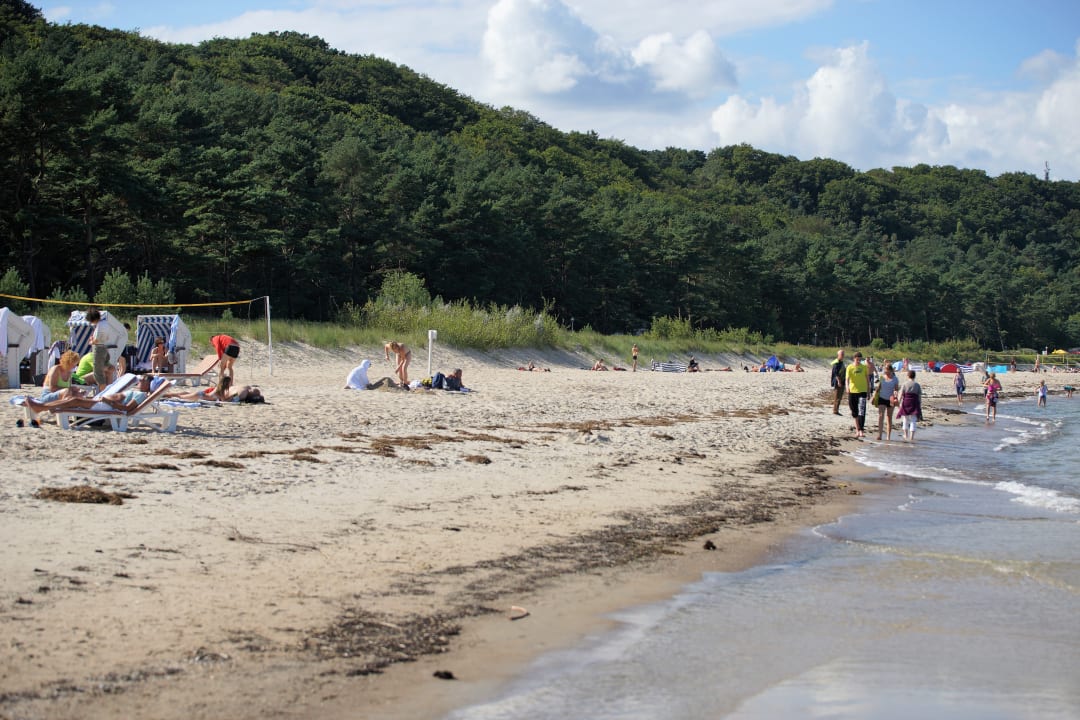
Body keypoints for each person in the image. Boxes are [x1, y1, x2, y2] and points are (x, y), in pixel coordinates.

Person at [25, 374, 153, 420]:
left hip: (107, 406)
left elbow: (126, 409)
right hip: (104, 403)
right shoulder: (137, 392)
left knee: (74, 401)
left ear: (148, 384)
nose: (139, 382)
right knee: (72, 399)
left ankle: (41, 408)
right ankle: (43, 407)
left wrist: (108, 401)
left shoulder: (141, 395)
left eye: (142, 380)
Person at [85, 309, 116, 388]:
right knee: (107, 367)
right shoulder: (106, 323)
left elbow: (97, 340)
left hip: (99, 349)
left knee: (98, 373)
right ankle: (109, 388)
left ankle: (103, 391)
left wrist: (91, 342)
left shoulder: (100, 326)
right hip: (105, 347)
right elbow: (106, 337)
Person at [846, 351, 870, 439]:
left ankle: (861, 430)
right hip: (852, 391)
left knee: (862, 411)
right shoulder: (849, 367)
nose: (858, 361)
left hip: (862, 391)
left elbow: (867, 380)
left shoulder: (864, 367)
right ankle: (857, 429)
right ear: (854, 359)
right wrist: (847, 387)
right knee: (854, 411)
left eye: (860, 359)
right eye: (857, 359)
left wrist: (869, 391)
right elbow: (847, 379)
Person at [874, 364, 900, 441]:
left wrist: (896, 395)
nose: (887, 373)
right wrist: (874, 396)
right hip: (882, 398)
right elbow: (879, 387)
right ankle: (879, 435)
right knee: (881, 416)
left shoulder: (895, 379)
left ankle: (888, 436)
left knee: (889, 417)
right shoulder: (882, 377)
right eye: (885, 372)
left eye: (888, 372)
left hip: (890, 399)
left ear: (891, 371)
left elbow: (896, 389)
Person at [896, 370, 922, 441]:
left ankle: (905, 435)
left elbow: (901, 394)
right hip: (914, 403)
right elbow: (919, 396)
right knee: (913, 420)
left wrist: (898, 403)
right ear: (914, 376)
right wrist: (919, 405)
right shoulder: (917, 385)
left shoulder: (905, 384)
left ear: (908, 376)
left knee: (905, 419)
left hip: (906, 402)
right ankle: (911, 437)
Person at [830, 349, 846, 415]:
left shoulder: (841, 362)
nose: (843, 355)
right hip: (838, 382)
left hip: (842, 381)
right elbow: (835, 373)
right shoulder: (836, 363)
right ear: (838, 355)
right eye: (841, 354)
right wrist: (839, 381)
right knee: (837, 396)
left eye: (843, 354)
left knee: (840, 396)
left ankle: (836, 410)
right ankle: (835, 410)